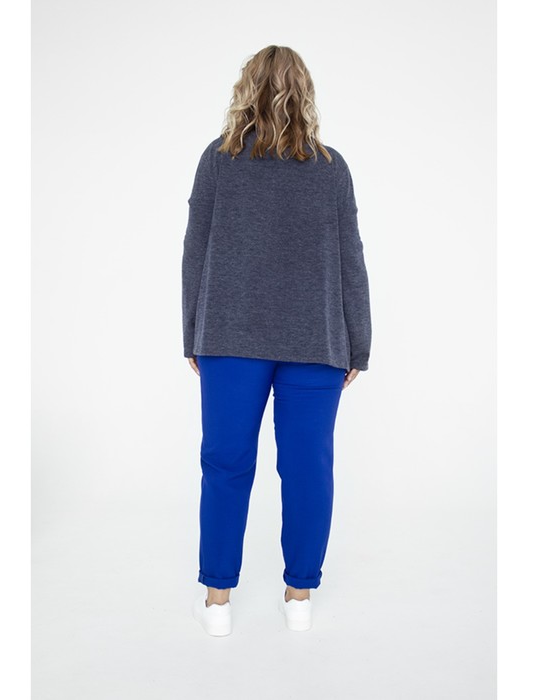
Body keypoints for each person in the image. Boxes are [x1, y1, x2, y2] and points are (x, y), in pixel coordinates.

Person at [182, 45, 372, 636]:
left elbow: (195, 252)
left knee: (225, 464)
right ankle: (299, 596)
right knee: (308, 467)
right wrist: (358, 344)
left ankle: (218, 601)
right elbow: (351, 259)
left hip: (228, 338)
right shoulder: (331, 167)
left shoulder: (218, 160)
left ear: (246, 89)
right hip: (316, 341)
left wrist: (193, 335)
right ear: (305, 92)